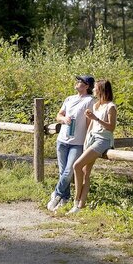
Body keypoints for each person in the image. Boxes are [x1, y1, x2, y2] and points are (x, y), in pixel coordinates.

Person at [47, 75, 95, 211]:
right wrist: (64, 119)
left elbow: (89, 123)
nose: (77, 83)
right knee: (63, 171)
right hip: (62, 139)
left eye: (81, 82)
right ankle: (65, 197)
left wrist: (87, 141)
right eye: (78, 80)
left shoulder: (89, 101)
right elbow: (59, 115)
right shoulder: (69, 99)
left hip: (77, 142)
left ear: (87, 86)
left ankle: (56, 194)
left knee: (69, 171)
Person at [68, 79, 117, 214]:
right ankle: (81, 205)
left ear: (101, 90)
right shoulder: (96, 105)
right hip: (91, 138)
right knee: (85, 172)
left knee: (76, 165)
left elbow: (111, 128)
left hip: (103, 140)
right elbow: (91, 125)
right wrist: (86, 140)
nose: (93, 90)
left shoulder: (111, 107)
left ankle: (76, 200)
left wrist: (96, 119)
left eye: (95, 88)